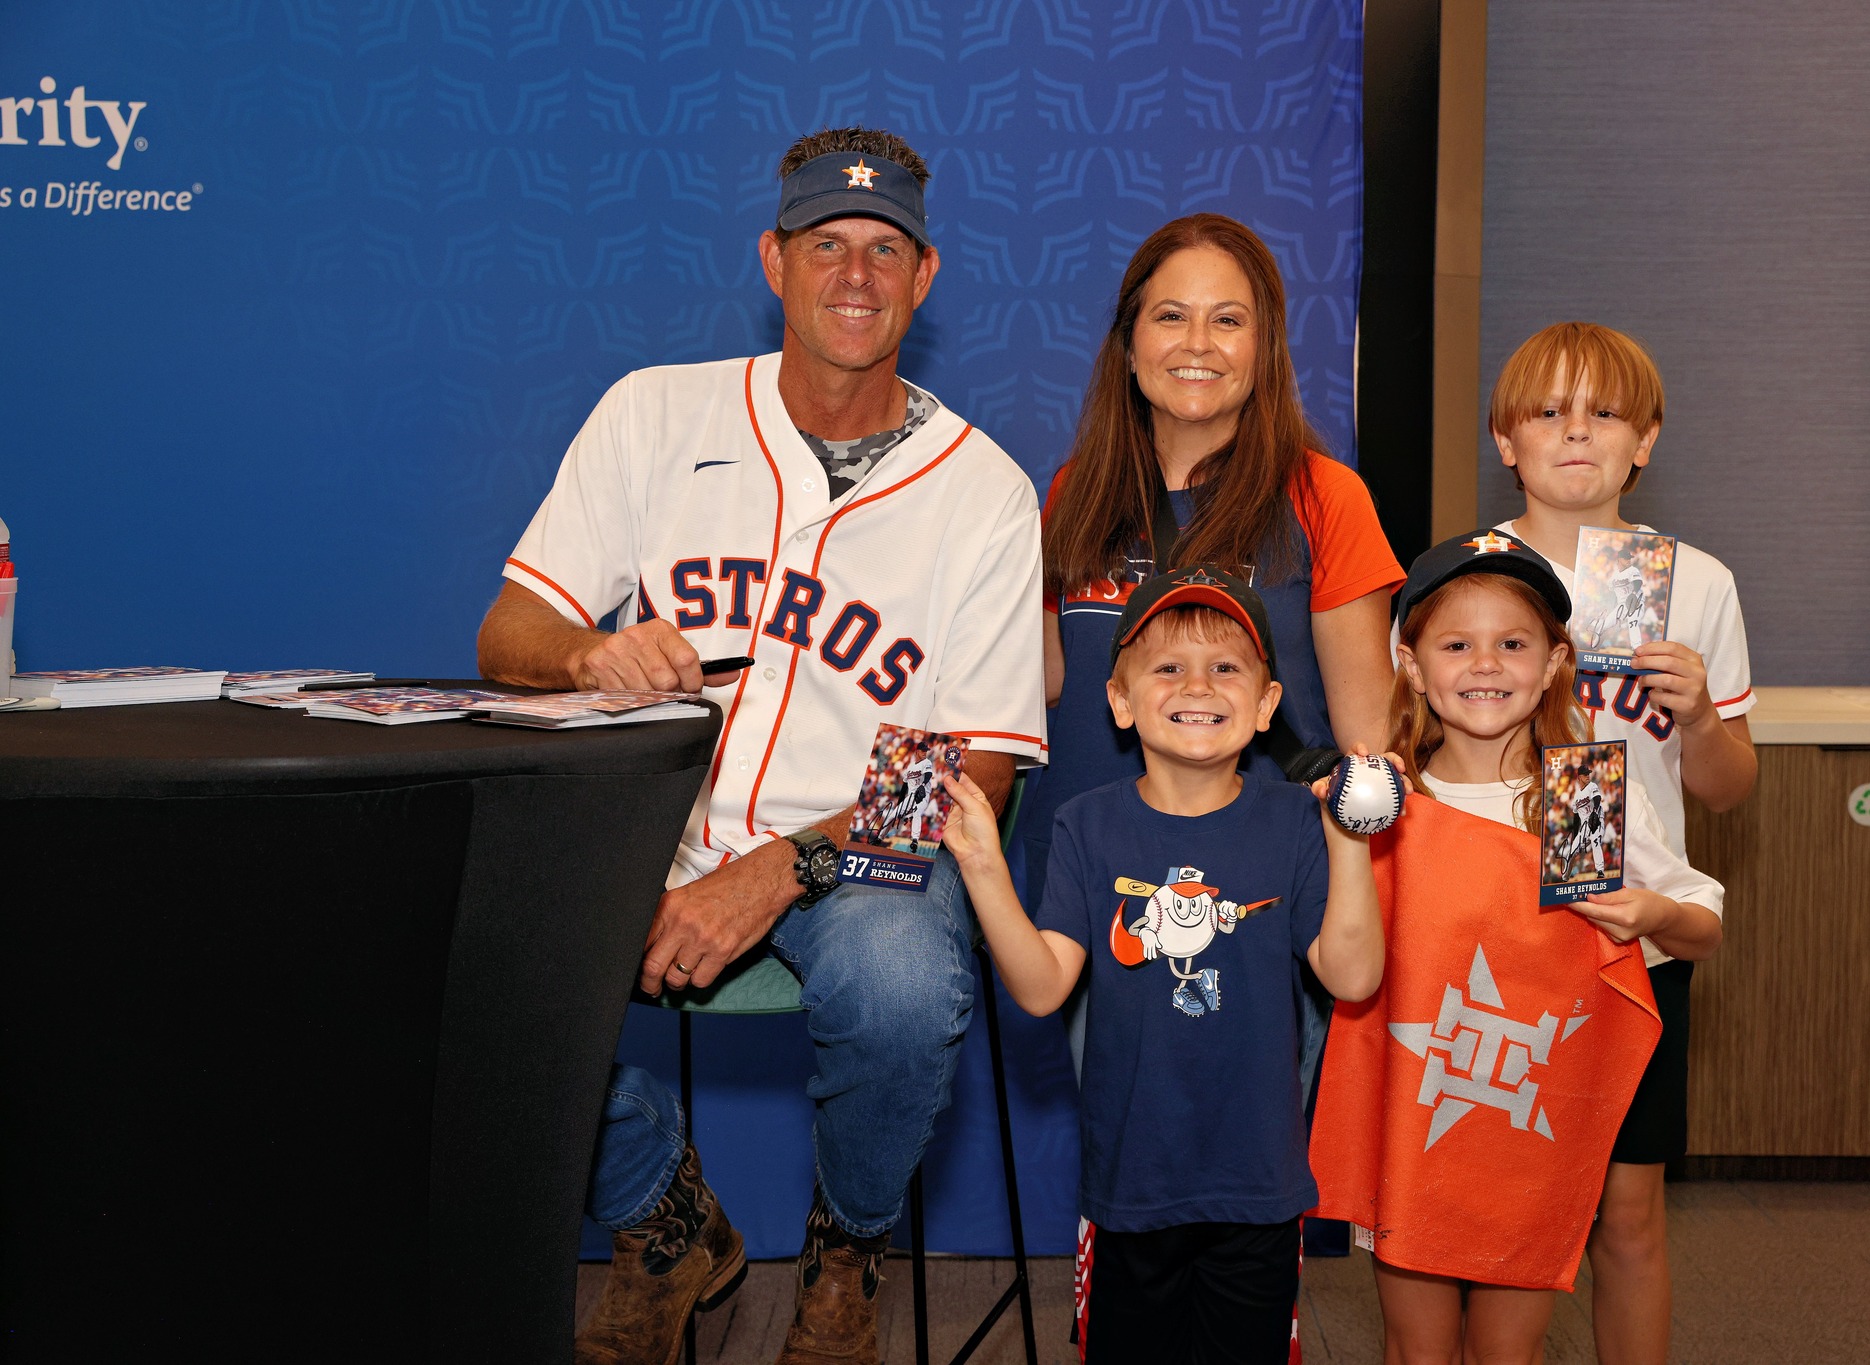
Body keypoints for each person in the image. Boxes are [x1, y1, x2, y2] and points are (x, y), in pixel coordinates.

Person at [476, 126, 1047, 1365]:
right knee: (473, 957)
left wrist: (775, 872)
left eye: (884, 248)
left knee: (900, 984)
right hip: (649, 829)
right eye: (825, 243)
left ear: (925, 275)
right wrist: (586, 655)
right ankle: (663, 1217)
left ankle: (846, 1251)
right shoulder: (653, 412)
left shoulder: (985, 491)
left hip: (855, 858)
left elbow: (979, 767)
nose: (855, 273)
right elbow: (509, 630)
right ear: (772, 260)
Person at [941, 565, 1391, 1365]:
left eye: (1226, 667)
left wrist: (1349, 841)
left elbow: (1352, 977)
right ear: (1120, 700)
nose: (1198, 684)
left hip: (1258, 1184)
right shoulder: (1086, 825)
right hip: (1131, 1186)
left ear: (1266, 705)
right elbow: (1042, 988)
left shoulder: (1296, 820)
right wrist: (983, 868)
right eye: (1168, 666)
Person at [1310, 530, 1724, 1364]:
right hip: (1417, 1122)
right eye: (1456, 645)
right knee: (1416, 1345)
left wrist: (1650, 913)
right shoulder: (1388, 796)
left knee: (1509, 1349)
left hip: (1532, 1132)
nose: (1485, 665)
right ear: (1410, 664)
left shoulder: (1577, 797)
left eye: (1512, 644)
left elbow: (1702, 925)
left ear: (1554, 662)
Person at [1012, 211, 1406, 1082]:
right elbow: (1041, 687)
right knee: (1123, 1154)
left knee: (1257, 1155)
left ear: (1264, 348)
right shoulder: (1075, 493)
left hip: (1260, 901)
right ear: (1128, 344)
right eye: (1170, 316)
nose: (1198, 343)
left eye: (1228, 319)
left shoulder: (1324, 498)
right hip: (1099, 894)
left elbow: (1369, 743)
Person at [1489, 321, 1755, 1361]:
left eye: (1603, 413)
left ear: (1643, 442)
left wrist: (1699, 717)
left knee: (1628, 1213)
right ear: (1504, 439)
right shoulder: (1468, 573)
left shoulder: (1696, 582)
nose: (1575, 431)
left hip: (1634, 930)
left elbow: (1726, 790)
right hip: (1499, 924)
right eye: (1548, 411)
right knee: (1501, 1201)